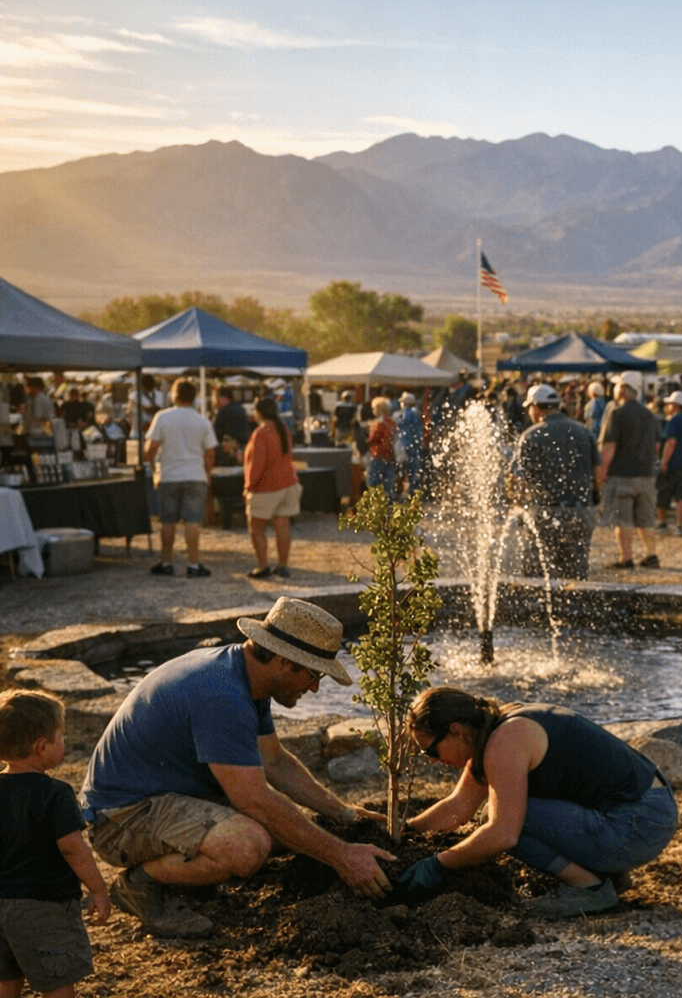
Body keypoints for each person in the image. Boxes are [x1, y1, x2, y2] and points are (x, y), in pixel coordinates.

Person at [81, 597, 394, 938]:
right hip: (122, 817)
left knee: (294, 829)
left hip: (165, 795)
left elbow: (275, 761)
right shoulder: (222, 696)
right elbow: (254, 801)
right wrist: (341, 856)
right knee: (248, 846)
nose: (315, 687)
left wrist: (343, 814)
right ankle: (141, 884)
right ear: (281, 660)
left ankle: (187, 870)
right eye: (313, 674)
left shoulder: (244, 675)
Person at [398, 687, 678, 918]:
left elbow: (503, 834)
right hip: (646, 811)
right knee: (503, 812)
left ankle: (589, 888)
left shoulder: (504, 743)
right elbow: (458, 807)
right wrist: (404, 829)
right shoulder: (496, 728)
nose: (432, 760)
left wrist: (439, 864)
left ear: (456, 731)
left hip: (638, 823)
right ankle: (606, 872)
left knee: (501, 819)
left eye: (429, 750)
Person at [0, 690, 112, 998]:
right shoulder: (55, 793)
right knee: (58, 980)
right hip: (44, 907)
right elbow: (72, 847)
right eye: (60, 736)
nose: (64, 742)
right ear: (41, 747)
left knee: (5, 979)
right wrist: (99, 890)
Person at [513, 383, 599, 580]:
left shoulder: (530, 436)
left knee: (536, 571)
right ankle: (577, 607)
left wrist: (519, 505)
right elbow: (599, 472)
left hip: (545, 512)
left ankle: (540, 609)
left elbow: (519, 479)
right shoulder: (583, 431)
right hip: (581, 510)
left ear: (536, 407)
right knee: (576, 571)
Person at [144, 378, 217, 577]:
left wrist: (154, 469)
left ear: (174, 395)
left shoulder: (163, 417)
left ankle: (166, 562)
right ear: (194, 398)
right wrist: (207, 473)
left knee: (168, 521)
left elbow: (151, 449)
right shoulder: (202, 420)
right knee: (192, 521)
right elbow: (210, 452)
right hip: (195, 474)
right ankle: (193, 564)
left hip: (169, 474)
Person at [596, 370, 659, 569]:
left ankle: (627, 558)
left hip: (622, 476)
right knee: (645, 519)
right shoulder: (649, 414)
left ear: (623, 389)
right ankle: (651, 555)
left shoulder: (617, 413)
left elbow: (609, 447)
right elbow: (657, 446)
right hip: (647, 476)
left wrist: (601, 472)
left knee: (623, 520)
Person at [243, 397, 301, 579]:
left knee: (257, 528)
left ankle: (263, 566)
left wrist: (249, 486)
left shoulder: (262, 432)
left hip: (266, 487)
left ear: (258, 412)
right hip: (288, 483)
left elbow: (257, 464)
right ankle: (282, 565)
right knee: (282, 526)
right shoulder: (282, 429)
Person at [656, 390, 682, 535]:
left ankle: (661, 523)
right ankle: (679, 526)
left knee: (663, 494)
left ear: (676, 405)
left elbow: (671, 442)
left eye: (670, 403)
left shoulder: (673, 420)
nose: (667, 406)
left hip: (674, 463)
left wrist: (664, 462)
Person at [364, 396, 397, 499]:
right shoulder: (392, 421)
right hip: (390, 455)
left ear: (378, 409)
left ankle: (374, 509)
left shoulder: (379, 423)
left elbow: (371, 439)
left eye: (374, 409)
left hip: (377, 454)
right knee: (388, 486)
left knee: (373, 484)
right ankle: (389, 508)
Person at [395, 392, 424, 495]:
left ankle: (398, 490)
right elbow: (417, 431)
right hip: (413, 445)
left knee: (400, 469)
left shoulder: (399, 414)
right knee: (413, 470)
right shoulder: (415, 412)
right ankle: (413, 492)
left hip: (401, 445)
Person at [212, 387, 252, 458]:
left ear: (223, 397)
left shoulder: (224, 411)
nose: (217, 400)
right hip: (242, 448)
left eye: (218, 397)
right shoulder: (240, 408)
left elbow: (217, 433)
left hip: (228, 449)